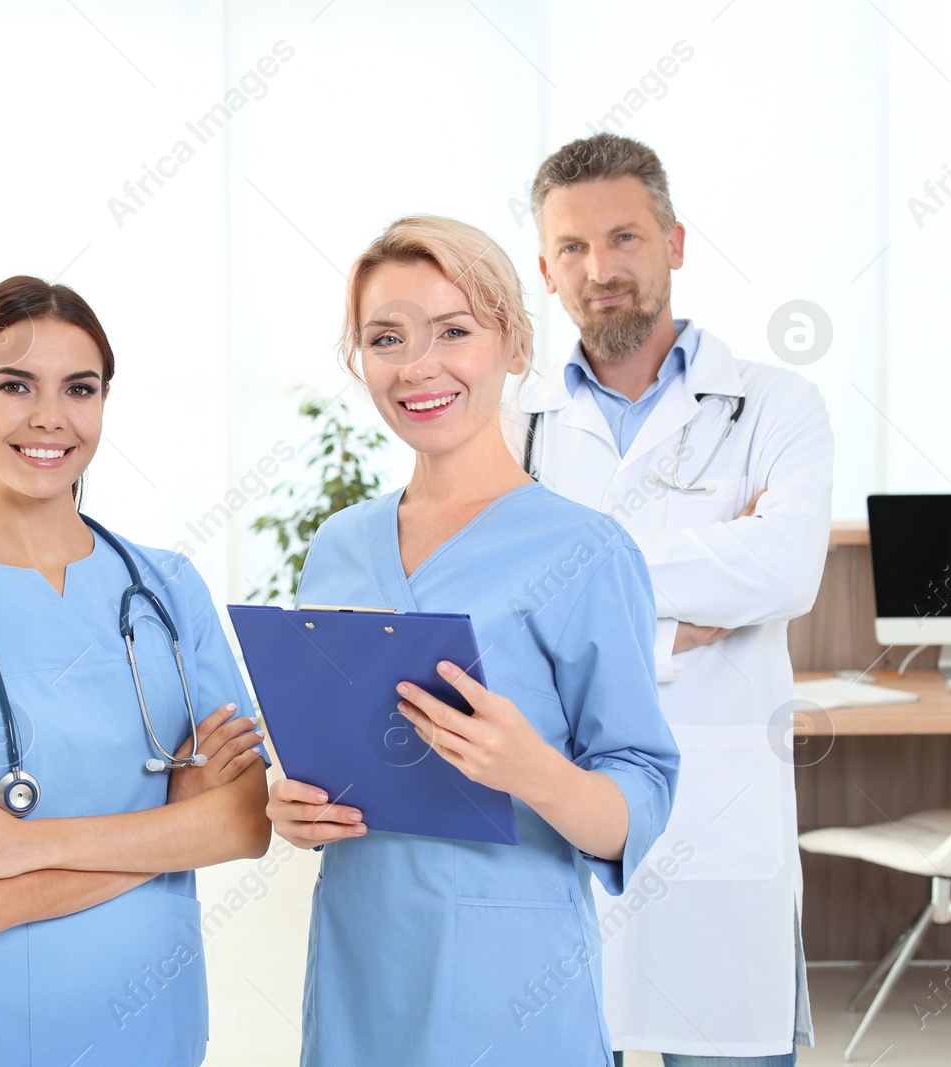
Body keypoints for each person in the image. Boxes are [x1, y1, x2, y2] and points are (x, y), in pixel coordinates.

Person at [266, 215, 680, 1065]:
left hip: (512, 978)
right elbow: (326, 757)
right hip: (360, 964)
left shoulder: (584, 551)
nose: (420, 365)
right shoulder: (340, 546)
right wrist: (291, 806)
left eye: (454, 330)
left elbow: (639, 798)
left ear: (515, 344)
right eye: (388, 337)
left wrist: (534, 771)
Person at [0, 275, 272, 1066]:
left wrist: (24, 844)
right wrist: (173, 828)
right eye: (15, 385)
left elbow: (246, 824)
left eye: (78, 388)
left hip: (154, 1020)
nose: (50, 416)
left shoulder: (170, 588)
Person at [517, 132, 834, 1065]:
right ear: (545, 267)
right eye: (572, 248)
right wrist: (684, 606)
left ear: (675, 243)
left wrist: (580, 574)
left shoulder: (775, 404)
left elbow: (786, 569)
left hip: (716, 827)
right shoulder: (514, 424)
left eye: (625, 238)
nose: (600, 268)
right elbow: (506, 608)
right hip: (566, 830)